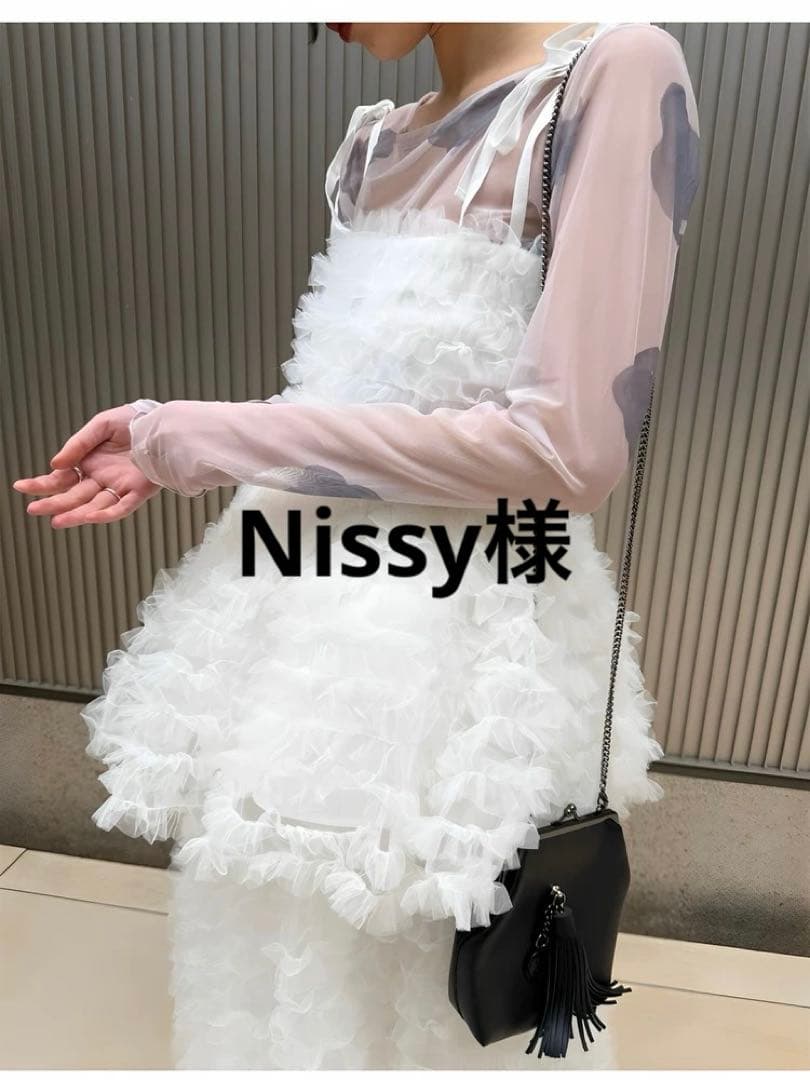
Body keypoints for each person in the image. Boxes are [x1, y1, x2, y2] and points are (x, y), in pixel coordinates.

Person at [11, 20, 701, 1068]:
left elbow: (567, 451)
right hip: (294, 640)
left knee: (434, 973)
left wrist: (212, 438)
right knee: (276, 957)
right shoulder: (373, 143)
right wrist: (171, 445)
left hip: (461, 647)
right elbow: (361, 396)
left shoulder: (613, 71)